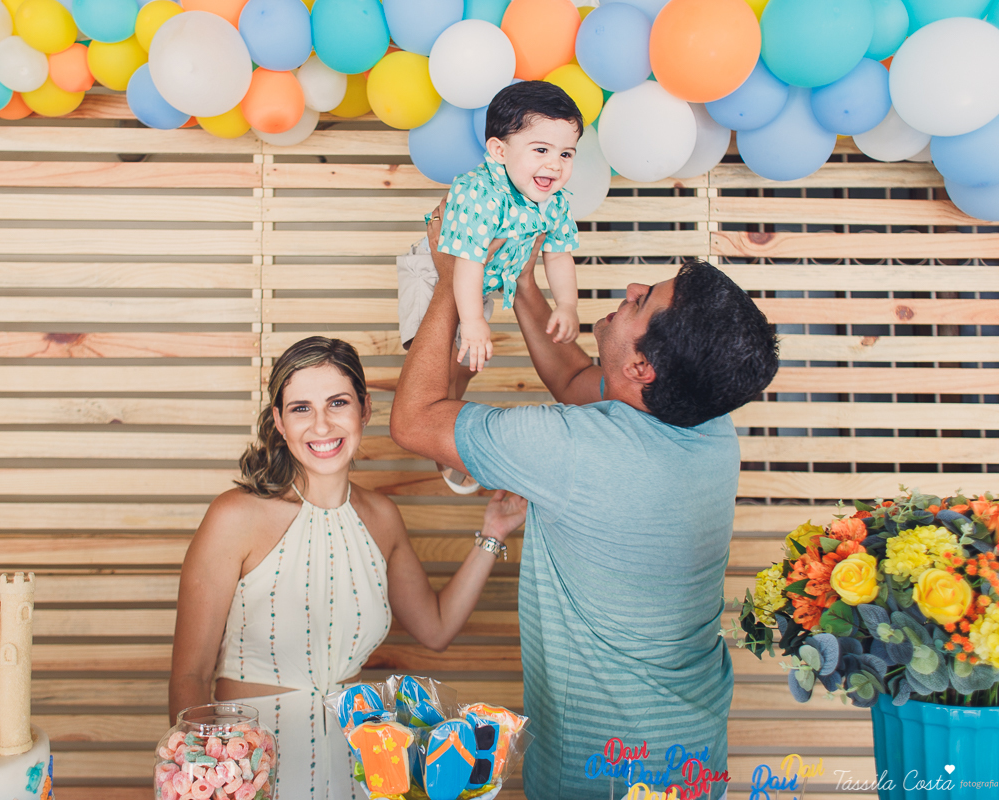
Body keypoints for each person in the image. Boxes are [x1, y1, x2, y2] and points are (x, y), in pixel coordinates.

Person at [390, 210, 779, 799]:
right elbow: (579, 383)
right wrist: (522, 286)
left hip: (602, 769)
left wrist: (455, 279)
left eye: (643, 299)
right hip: (695, 754)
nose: (630, 290)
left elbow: (413, 422)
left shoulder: (574, 450)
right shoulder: (708, 422)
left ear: (644, 366)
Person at [169, 336, 528, 800]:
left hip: (358, 768)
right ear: (278, 421)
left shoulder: (381, 517)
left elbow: (436, 628)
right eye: (301, 408)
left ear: (364, 409)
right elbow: (189, 676)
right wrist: (204, 780)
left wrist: (494, 532)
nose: (321, 425)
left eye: (337, 402)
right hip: (249, 769)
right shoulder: (234, 516)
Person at [398, 80, 584, 495]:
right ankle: (439, 439)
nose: (555, 165)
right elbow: (465, 264)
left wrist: (567, 305)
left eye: (565, 154)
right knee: (434, 356)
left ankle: (450, 391)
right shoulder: (478, 193)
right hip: (436, 272)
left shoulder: (555, 200)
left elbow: (557, 254)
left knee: (462, 362)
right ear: (500, 152)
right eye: (541, 149)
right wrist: (474, 320)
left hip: (482, 281)